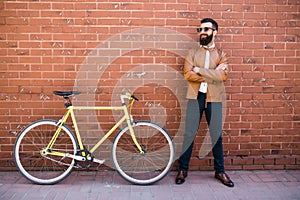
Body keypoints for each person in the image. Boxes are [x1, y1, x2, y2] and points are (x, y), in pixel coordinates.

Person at [175, 18, 234, 187]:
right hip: (195, 97)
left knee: (216, 136)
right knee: (189, 134)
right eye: (200, 29)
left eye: (206, 29)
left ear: (214, 32)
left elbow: (223, 77)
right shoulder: (192, 53)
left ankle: (220, 171)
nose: (202, 32)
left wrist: (199, 70)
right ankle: (183, 170)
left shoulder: (222, 54)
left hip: (214, 99)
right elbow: (188, 75)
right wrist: (213, 73)